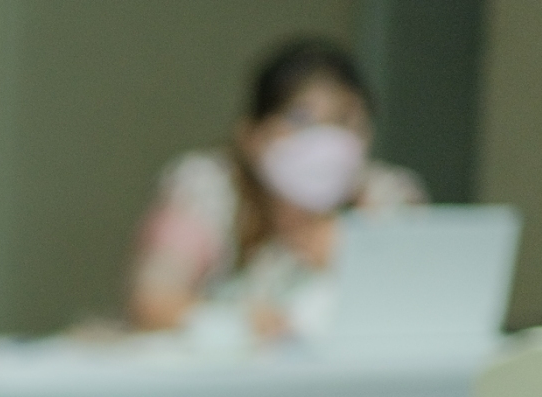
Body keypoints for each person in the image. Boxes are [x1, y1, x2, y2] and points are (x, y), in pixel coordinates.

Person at [129, 36, 425, 339]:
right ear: (252, 135)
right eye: (301, 118)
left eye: (344, 120)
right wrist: (234, 323)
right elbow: (152, 301)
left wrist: (360, 259)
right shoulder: (207, 189)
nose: (326, 138)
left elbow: (421, 309)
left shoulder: (385, 197)